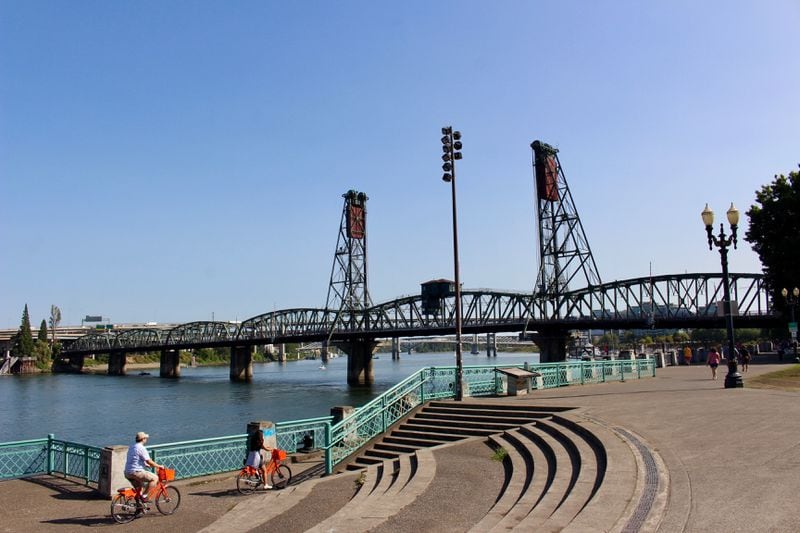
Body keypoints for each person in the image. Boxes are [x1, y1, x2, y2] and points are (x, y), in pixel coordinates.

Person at [124, 432, 165, 507]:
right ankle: (144, 496)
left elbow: (135, 458)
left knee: (140, 488)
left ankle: (139, 507)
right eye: (146, 438)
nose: (146, 439)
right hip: (136, 472)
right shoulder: (141, 448)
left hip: (127, 472)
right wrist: (159, 466)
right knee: (155, 478)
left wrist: (144, 464)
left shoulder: (132, 447)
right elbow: (149, 461)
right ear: (143, 439)